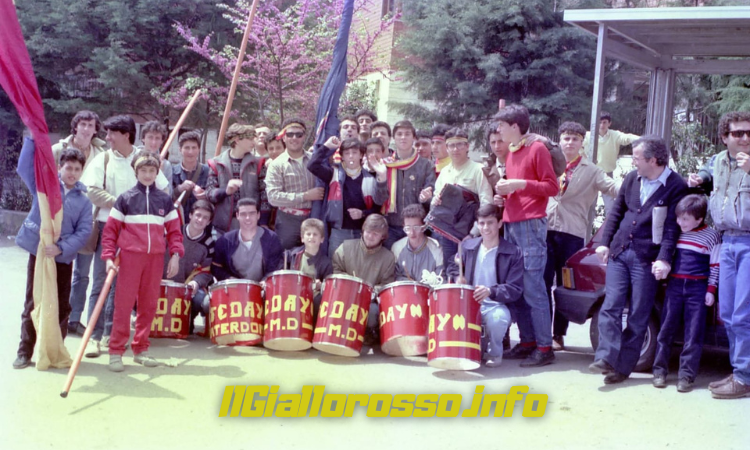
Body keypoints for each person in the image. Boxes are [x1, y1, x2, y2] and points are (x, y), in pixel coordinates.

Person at [590, 135, 687, 384]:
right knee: (611, 305)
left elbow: (672, 228)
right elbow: (616, 212)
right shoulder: (632, 178)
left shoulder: (676, 185)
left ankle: (622, 368)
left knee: (639, 314)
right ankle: (606, 357)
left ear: (653, 160)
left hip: (647, 258)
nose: (633, 162)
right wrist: (604, 243)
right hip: (620, 252)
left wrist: (664, 259)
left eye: (636, 158)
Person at [81, 115, 170, 358]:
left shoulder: (143, 159)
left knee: (121, 287)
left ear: (126, 135)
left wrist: (143, 209)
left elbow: (163, 188)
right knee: (101, 281)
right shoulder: (104, 158)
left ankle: (111, 335)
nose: (107, 137)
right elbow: (91, 190)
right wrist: (122, 205)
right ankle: (93, 336)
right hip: (108, 227)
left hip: (137, 233)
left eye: (112, 133)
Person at [101, 152, 184, 372]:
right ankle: (116, 351)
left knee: (148, 305)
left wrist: (175, 255)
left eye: (152, 171)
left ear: (157, 172)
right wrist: (108, 257)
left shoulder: (165, 200)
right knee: (123, 305)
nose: (147, 175)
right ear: (136, 172)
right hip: (130, 258)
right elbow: (110, 231)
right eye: (143, 171)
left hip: (155, 258)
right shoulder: (125, 199)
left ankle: (141, 349)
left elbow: (174, 232)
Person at [13, 138, 92, 369]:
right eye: (68, 168)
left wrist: (62, 248)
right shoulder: (44, 188)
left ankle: (56, 351)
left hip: (62, 258)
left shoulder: (84, 201)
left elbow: (84, 231)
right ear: (59, 167)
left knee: (61, 306)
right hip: (39, 254)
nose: (72, 173)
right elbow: (24, 168)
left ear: (82, 171)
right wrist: (32, 139)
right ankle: (24, 352)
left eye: (77, 169)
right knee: (33, 302)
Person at [493, 104, 559, 367]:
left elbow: (552, 187)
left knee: (533, 288)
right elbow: (520, 189)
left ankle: (544, 347)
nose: (498, 130)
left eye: (502, 125)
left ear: (515, 126)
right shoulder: (512, 151)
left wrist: (519, 184)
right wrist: (504, 195)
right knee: (518, 288)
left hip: (530, 225)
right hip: (513, 223)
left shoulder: (537, 148)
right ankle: (528, 342)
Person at [545, 122, 618, 350]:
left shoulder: (592, 170)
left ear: (581, 143)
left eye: (575, 139)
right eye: (566, 138)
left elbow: (613, 188)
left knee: (564, 286)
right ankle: (542, 333)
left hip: (572, 233)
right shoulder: (548, 163)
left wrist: (638, 188)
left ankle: (558, 335)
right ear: (559, 141)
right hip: (544, 230)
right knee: (542, 282)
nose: (570, 143)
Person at [652, 194, 720, 393]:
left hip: (697, 289)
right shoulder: (677, 233)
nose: (680, 222)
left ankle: (686, 376)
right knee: (666, 329)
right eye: (678, 218)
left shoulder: (712, 236)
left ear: (699, 219)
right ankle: (659, 371)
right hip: (674, 286)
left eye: (685, 219)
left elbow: (715, 266)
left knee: (694, 333)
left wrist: (711, 290)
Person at [706, 111, 750, 399]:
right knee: (728, 314)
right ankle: (739, 371)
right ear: (725, 137)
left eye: (749, 133)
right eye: (738, 133)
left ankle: (744, 377)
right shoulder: (718, 161)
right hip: (727, 242)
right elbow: (707, 175)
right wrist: (698, 177)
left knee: (744, 313)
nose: (745, 138)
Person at [447, 205, 524, 368]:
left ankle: (495, 353)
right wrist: (457, 276)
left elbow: (515, 289)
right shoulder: (467, 246)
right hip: (467, 304)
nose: (485, 228)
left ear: (500, 223)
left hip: (496, 305)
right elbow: (453, 265)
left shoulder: (514, 252)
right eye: (481, 223)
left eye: (490, 223)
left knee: (497, 320)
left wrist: (490, 291)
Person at [53, 110, 106, 336]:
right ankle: (61, 318)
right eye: (82, 124)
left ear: (95, 129)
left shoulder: (101, 154)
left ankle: (78, 319)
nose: (86, 129)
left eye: (90, 125)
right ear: (75, 126)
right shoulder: (59, 149)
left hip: (91, 218)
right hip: (62, 220)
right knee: (66, 272)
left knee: (87, 273)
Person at [308, 136, 388, 257]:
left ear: (361, 155)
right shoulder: (333, 173)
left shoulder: (370, 178)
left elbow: (378, 207)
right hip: (338, 232)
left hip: (362, 233)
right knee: (336, 266)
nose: (351, 156)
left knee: (358, 267)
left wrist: (363, 213)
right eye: (347, 153)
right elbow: (312, 165)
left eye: (354, 153)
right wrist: (326, 147)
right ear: (342, 157)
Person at [430, 127, 493, 263]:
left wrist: (474, 232)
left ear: (467, 146)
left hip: (471, 233)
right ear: (447, 148)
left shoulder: (478, 170)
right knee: (450, 269)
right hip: (447, 233)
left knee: (470, 271)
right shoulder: (444, 172)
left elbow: (487, 203)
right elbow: (435, 200)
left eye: (459, 144)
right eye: (451, 145)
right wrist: (435, 201)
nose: (455, 149)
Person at [332, 214, 396, 341]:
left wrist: (368, 291)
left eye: (375, 234)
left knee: (372, 312)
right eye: (368, 231)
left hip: (369, 301)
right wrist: (351, 284)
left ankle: (368, 333)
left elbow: (386, 285)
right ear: (363, 230)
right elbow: (336, 270)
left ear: (383, 236)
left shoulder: (388, 258)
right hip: (344, 296)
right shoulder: (345, 247)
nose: (370, 236)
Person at [265, 118, 323, 249]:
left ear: (304, 137)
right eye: (290, 134)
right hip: (288, 220)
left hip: (314, 217)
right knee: (286, 255)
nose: (294, 138)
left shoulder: (314, 160)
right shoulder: (276, 165)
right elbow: (273, 197)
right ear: (284, 137)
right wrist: (305, 196)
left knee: (313, 254)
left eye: (299, 134)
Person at [381, 120, 436, 249]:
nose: (403, 137)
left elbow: (432, 198)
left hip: (416, 228)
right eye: (399, 134)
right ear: (393, 138)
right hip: (391, 226)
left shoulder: (425, 165)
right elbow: (378, 198)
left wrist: (426, 198)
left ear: (414, 138)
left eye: (407, 134)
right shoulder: (385, 164)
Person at [164, 200, 216, 334]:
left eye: (205, 218)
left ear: (209, 222)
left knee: (201, 298)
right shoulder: (173, 233)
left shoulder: (209, 244)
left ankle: (188, 320)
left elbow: (207, 271)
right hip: (164, 284)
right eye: (198, 215)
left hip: (188, 288)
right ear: (190, 215)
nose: (200, 220)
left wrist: (196, 283)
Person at [205, 123, 261, 236]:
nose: (253, 142)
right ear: (237, 140)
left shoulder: (258, 163)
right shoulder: (216, 163)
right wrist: (225, 191)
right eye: (250, 138)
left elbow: (264, 196)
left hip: (251, 224)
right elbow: (209, 194)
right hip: (223, 225)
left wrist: (263, 221)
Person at [212, 199, 284, 282]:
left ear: (258, 215)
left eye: (252, 213)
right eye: (243, 214)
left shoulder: (271, 239)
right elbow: (216, 267)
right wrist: (230, 279)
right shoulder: (225, 240)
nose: (248, 218)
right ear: (237, 216)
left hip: (264, 287)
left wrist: (265, 282)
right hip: (235, 287)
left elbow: (275, 268)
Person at [583, 111, 639, 214]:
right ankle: (588, 225)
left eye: (604, 122)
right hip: (591, 173)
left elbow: (626, 138)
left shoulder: (614, 135)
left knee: (610, 206)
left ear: (609, 123)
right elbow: (578, 147)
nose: (602, 125)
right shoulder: (588, 136)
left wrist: (643, 140)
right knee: (589, 205)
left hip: (607, 173)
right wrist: (583, 159)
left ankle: (609, 224)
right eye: (599, 122)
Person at [285, 218, 333, 317]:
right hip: (292, 294)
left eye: (315, 234)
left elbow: (329, 287)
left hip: (312, 299)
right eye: (308, 234)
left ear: (322, 239)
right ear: (302, 238)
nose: (311, 237)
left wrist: (321, 285)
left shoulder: (326, 263)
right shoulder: (291, 255)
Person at [391, 204, 443, 283]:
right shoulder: (397, 247)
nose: (412, 233)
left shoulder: (436, 250)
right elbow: (393, 277)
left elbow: (441, 279)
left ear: (424, 226)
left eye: (416, 227)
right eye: (408, 228)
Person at [172, 131, 209, 224]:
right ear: (180, 149)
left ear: (199, 149)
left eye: (194, 148)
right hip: (178, 221)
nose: (190, 152)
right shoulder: (172, 171)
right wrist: (179, 189)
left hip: (200, 223)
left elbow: (214, 197)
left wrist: (205, 195)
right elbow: (167, 197)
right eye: (187, 148)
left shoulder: (208, 171)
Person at [258, 130, 285, 228]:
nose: (274, 151)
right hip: (270, 216)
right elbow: (264, 195)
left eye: (278, 148)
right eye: (271, 148)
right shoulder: (264, 167)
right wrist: (263, 222)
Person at [140, 120, 174, 195]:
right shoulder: (133, 158)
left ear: (162, 141)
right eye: (150, 137)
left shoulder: (166, 165)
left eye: (157, 138)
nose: (154, 142)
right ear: (143, 138)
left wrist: (160, 173)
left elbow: (169, 194)